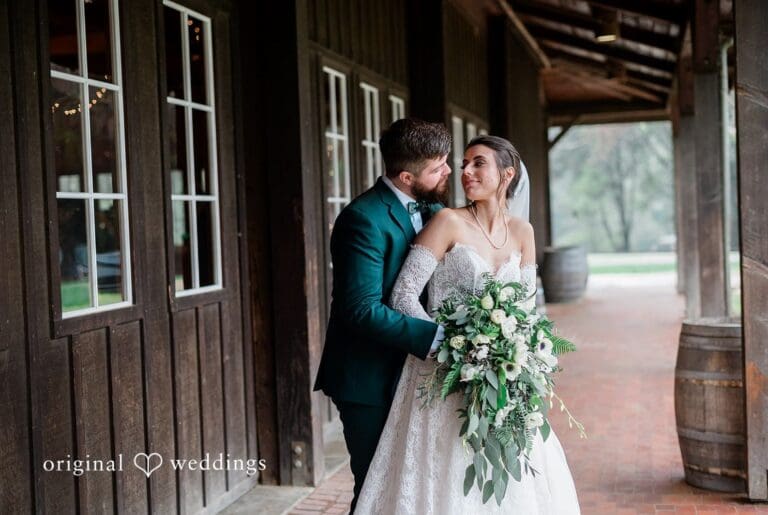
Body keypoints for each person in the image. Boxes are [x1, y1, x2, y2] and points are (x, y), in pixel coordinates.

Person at [353, 135, 580, 514]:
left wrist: (518, 358)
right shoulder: (446, 221)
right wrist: (454, 348)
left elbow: (525, 310)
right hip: (439, 375)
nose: (465, 172)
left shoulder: (523, 232)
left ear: (506, 175)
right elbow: (404, 296)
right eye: (463, 164)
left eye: (478, 163)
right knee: (444, 477)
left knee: (505, 474)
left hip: (501, 380)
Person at [313, 118, 453, 513]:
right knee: (376, 487)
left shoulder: (436, 211)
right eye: (437, 167)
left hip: (415, 376)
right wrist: (439, 338)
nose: (447, 171)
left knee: (412, 485)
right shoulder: (362, 219)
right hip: (369, 378)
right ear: (407, 176)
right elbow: (359, 310)